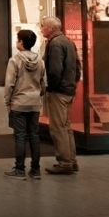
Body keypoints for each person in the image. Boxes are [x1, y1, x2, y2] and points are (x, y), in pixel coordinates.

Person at [3, 29, 46, 180]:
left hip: (19, 103)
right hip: (34, 103)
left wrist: (8, 101)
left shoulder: (15, 60)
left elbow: (9, 84)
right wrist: (36, 95)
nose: (16, 42)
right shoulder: (40, 60)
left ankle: (20, 169)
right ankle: (36, 169)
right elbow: (44, 84)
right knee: (34, 135)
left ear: (21, 42)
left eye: (17, 39)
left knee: (20, 136)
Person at [41, 16, 79, 175]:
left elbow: (55, 70)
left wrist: (50, 88)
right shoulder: (68, 41)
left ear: (50, 28)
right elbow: (77, 66)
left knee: (58, 129)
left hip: (59, 91)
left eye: (43, 26)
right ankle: (71, 160)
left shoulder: (55, 43)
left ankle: (64, 163)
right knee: (66, 127)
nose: (41, 28)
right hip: (69, 89)